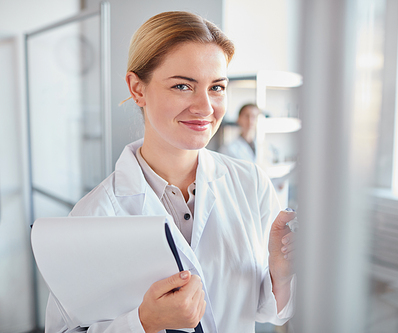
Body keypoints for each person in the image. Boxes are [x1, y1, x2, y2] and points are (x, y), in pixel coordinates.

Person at [44, 11, 296, 333]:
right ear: (137, 89)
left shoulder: (250, 183)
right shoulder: (92, 215)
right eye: (182, 86)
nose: (205, 107)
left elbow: (266, 310)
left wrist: (281, 271)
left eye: (217, 87)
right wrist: (143, 323)